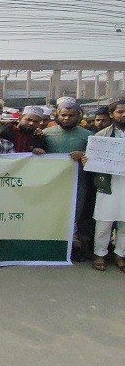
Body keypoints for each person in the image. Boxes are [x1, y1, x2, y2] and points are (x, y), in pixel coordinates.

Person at [44, 97, 93, 251]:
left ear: (79, 116)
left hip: (78, 183)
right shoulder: (45, 134)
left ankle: (72, 246)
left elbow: (96, 158)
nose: (66, 118)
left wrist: (83, 154)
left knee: (74, 213)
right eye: (63, 115)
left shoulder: (88, 135)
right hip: (52, 183)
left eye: (71, 115)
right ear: (57, 115)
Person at [83, 99, 125, 272]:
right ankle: (100, 254)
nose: (123, 115)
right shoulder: (101, 136)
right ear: (112, 114)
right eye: (120, 111)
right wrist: (87, 160)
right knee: (104, 220)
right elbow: (92, 159)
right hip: (108, 183)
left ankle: (120, 254)